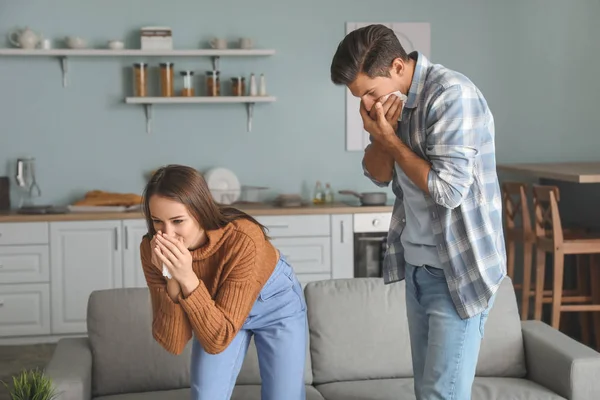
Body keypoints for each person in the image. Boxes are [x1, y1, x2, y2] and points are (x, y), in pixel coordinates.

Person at [330, 24, 506, 399]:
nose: (369, 104)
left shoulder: (450, 95)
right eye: (360, 97)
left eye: (370, 93)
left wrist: (390, 139)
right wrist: (380, 136)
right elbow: (377, 175)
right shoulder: (392, 105)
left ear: (397, 66)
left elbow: (448, 190)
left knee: (443, 395)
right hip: (417, 269)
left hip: (457, 270)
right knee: (426, 392)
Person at [139, 164, 307, 400]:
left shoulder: (242, 238)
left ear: (199, 211)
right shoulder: (152, 249)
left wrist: (187, 276)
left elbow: (219, 336)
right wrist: (172, 276)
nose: (167, 234)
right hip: (216, 309)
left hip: (275, 304)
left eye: (178, 221)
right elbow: (174, 342)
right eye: (157, 221)